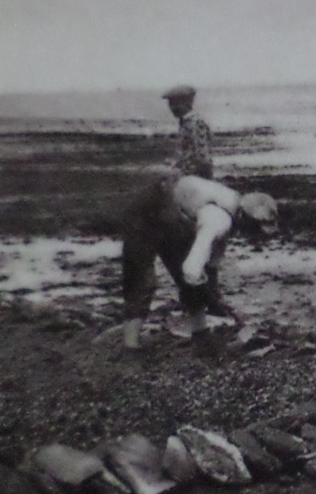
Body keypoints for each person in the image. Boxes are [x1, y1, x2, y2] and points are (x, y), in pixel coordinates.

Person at [119, 173, 278, 357]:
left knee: (195, 277)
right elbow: (191, 268)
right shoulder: (218, 220)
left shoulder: (231, 207)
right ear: (245, 218)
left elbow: (213, 259)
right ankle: (130, 348)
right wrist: (208, 296)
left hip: (175, 213)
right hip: (147, 210)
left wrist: (214, 292)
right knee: (142, 280)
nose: (254, 235)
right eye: (255, 228)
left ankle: (201, 336)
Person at [164, 85, 215, 179]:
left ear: (186, 104)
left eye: (175, 104)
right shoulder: (186, 123)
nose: (172, 108)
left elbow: (203, 158)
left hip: (195, 179)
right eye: (171, 104)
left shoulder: (196, 123)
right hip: (187, 177)